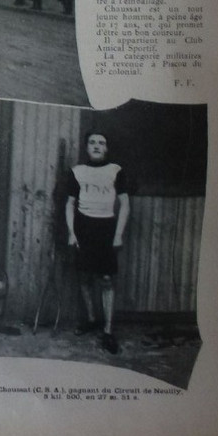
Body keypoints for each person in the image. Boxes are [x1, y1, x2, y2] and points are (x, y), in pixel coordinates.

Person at [65, 130, 130, 354]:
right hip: (84, 227)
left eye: (101, 143)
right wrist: (72, 233)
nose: (96, 146)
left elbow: (125, 205)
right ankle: (91, 319)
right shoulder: (77, 171)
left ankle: (108, 331)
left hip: (106, 227)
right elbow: (69, 204)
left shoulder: (116, 171)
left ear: (106, 148)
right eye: (92, 142)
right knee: (84, 275)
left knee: (105, 279)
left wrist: (118, 234)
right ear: (86, 147)